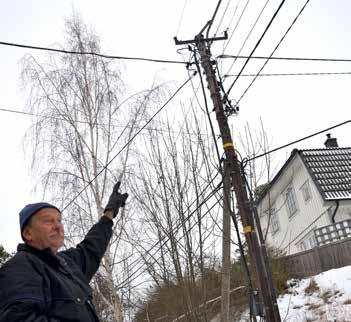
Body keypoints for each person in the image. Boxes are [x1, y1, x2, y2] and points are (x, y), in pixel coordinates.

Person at [0, 182, 128, 322]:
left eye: (60, 221)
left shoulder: (67, 263)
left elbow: (92, 247)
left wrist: (109, 213)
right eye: (48, 221)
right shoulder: (20, 267)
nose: (58, 227)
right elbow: (19, 317)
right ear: (28, 233)